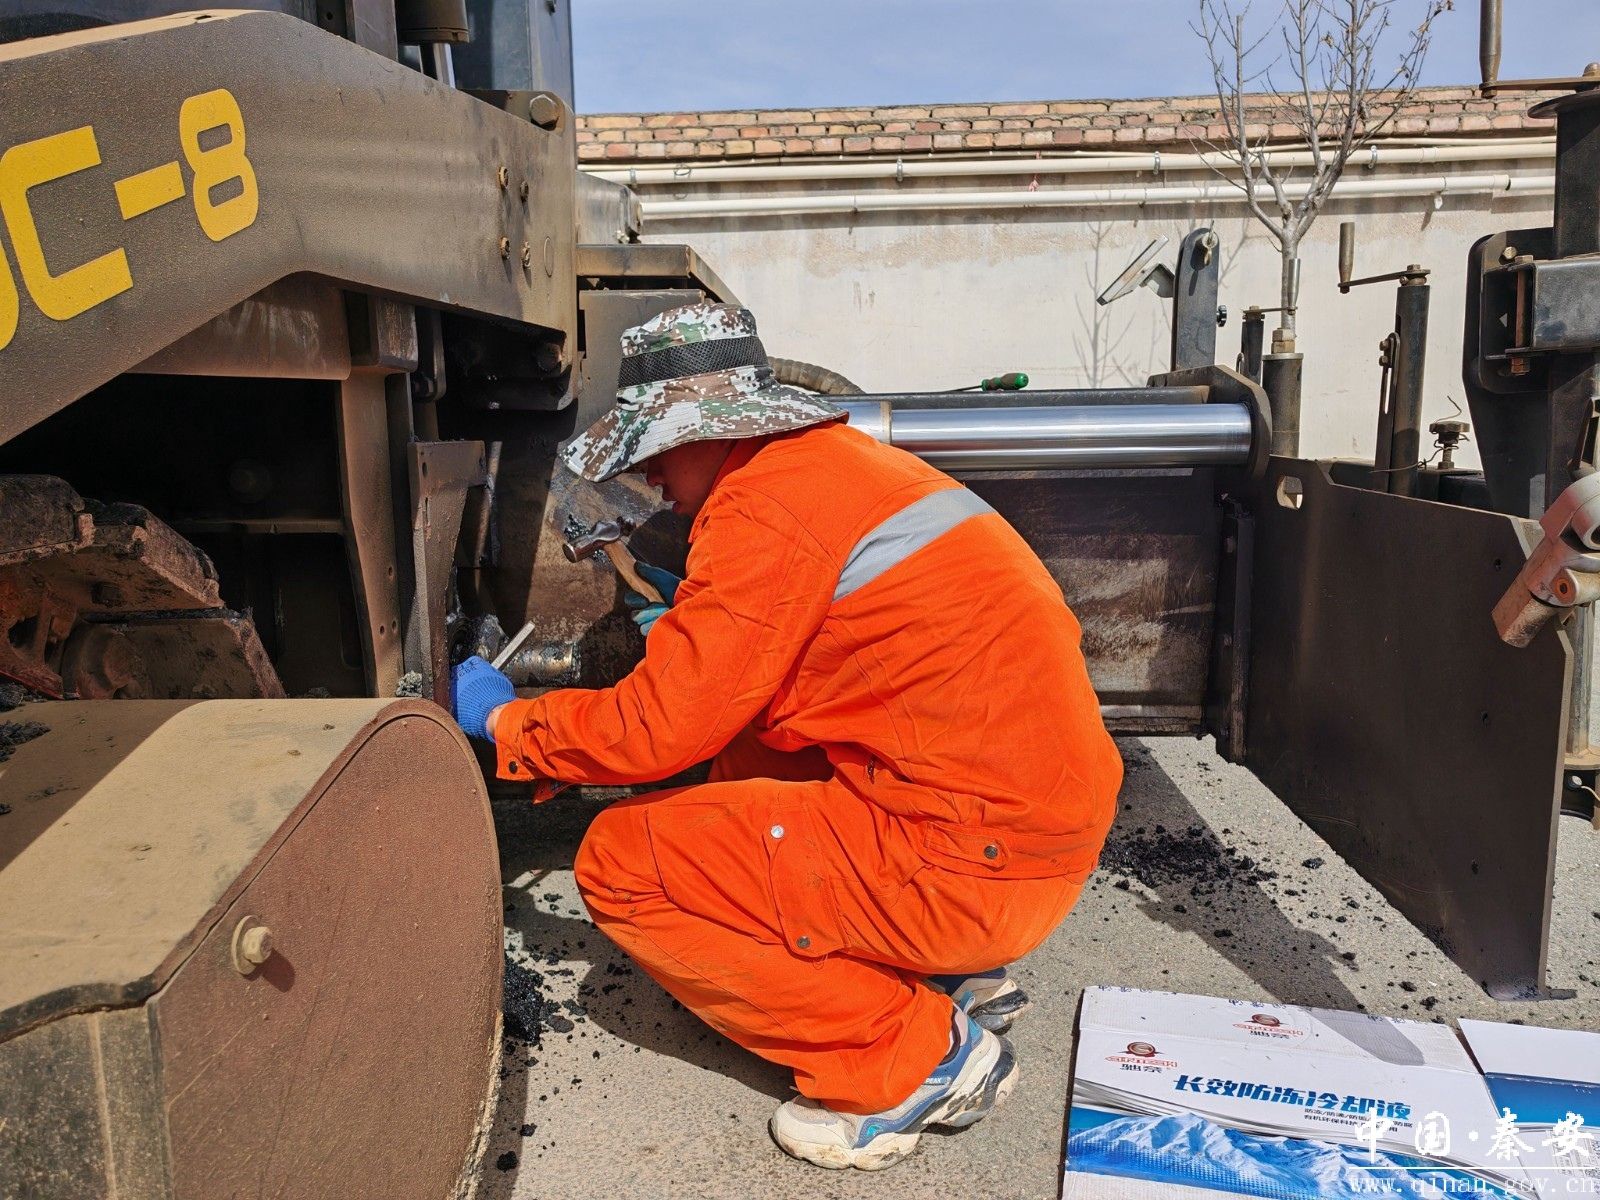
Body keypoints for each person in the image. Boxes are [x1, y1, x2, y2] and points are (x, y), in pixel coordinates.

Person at [451, 302, 1122, 1171]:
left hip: (971, 867)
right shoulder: (835, 467)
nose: (650, 475)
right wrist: (695, 624)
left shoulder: (763, 508)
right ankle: (937, 976)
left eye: (657, 449)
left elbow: (659, 729)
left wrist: (508, 721)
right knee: (744, 756)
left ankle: (913, 1059)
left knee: (623, 865)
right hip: (1027, 831)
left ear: (711, 430)